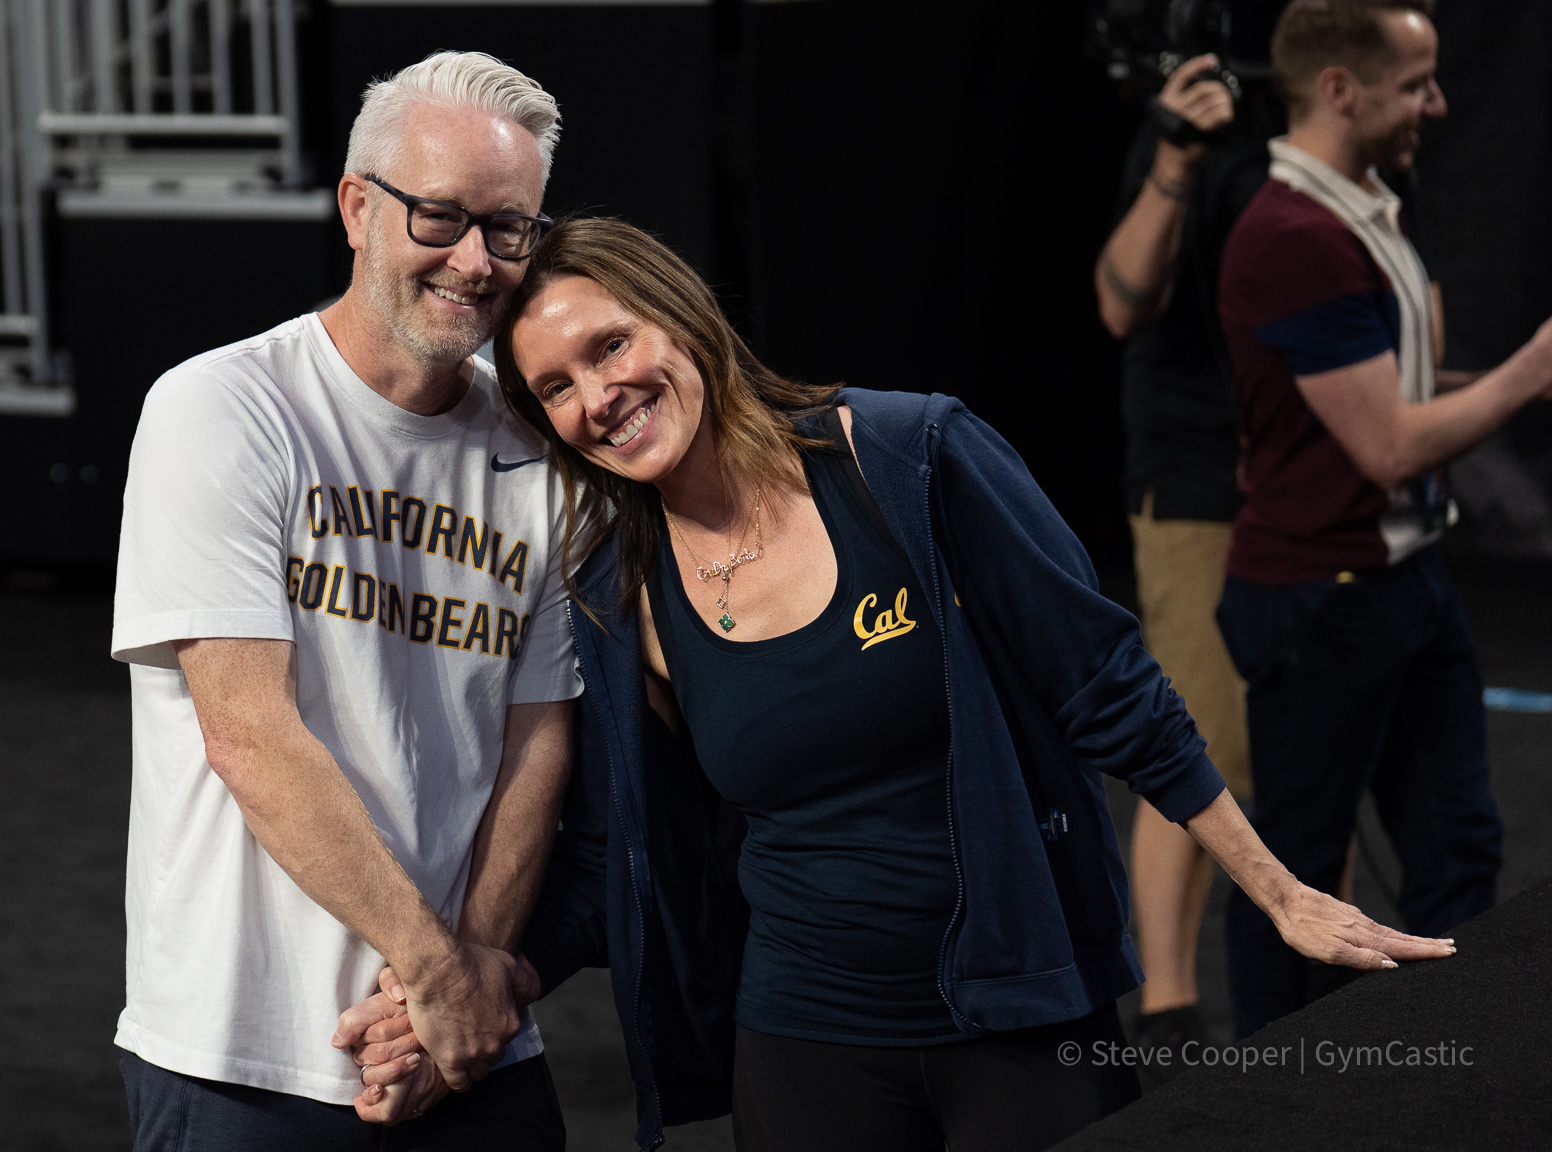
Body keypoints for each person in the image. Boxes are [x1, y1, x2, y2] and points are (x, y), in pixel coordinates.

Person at [345, 217, 1455, 1150]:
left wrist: (1281, 894)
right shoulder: (618, 595)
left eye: (611, 344)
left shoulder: (907, 457)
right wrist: (468, 983)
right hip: (803, 1042)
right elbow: (609, 852)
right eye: (556, 388)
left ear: (681, 318)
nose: (600, 395)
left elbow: (1108, 686)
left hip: (1020, 1013)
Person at [107, 51, 582, 1149]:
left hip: (467, 1043)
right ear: (358, 208)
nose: (476, 261)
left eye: (509, 228)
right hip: (244, 1048)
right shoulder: (223, 408)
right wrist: (438, 978)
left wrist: (459, 992)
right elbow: (249, 734)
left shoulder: (538, 450)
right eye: (440, 217)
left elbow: (538, 739)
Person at [1215, 0, 1552, 1040]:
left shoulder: (1365, 206)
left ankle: (1448, 1070)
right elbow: (1390, 446)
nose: (1436, 105)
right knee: (1299, 872)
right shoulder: (1291, 236)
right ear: (1338, 89)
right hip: (1319, 599)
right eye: (1414, 84)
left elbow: (1386, 395)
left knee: (1458, 848)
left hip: (1406, 580)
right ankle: (1266, 1084)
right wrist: (1531, 368)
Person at [1093, 52, 1272, 1059]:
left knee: (1308, 747)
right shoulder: (1183, 142)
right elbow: (1119, 303)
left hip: (1306, 485)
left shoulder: (1356, 159)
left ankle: (1314, 987)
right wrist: (1172, 157)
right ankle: (1165, 1011)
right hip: (1198, 483)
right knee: (1194, 739)